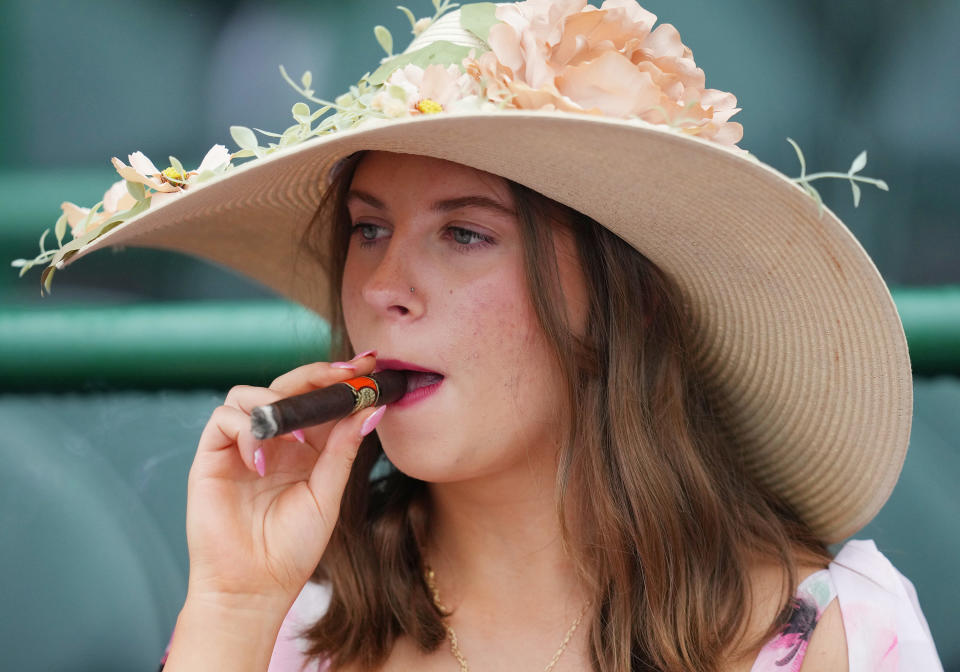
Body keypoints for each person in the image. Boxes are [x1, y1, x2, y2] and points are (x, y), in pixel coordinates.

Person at [14, 1, 943, 670]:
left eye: (464, 233)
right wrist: (232, 604)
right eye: (369, 229)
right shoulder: (294, 627)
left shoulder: (833, 634)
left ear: (628, 303)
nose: (383, 286)